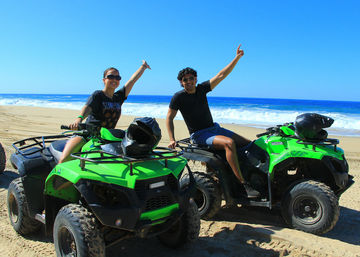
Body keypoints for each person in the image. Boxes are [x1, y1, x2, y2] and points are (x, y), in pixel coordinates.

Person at [166, 45, 259, 198]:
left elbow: (221, 75)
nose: (189, 81)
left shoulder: (202, 88)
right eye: (185, 80)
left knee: (250, 144)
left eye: (191, 78)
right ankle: (242, 184)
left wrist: (237, 58)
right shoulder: (178, 97)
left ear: (196, 79)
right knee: (229, 143)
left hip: (214, 129)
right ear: (181, 83)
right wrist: (171, 138)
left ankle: (248, 173)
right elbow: (169, 117)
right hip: (199, 135)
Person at [58, 60, 151, 163]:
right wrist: (79, 119)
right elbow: (88, 107)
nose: (114, 79)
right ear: (104, 80)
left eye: (117, 77)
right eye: (111, 77)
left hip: (107, 138)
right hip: (87, 134)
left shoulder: (118, 97)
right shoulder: (98, 95)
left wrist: (143, 67)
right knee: (64, 159)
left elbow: (132, 81)